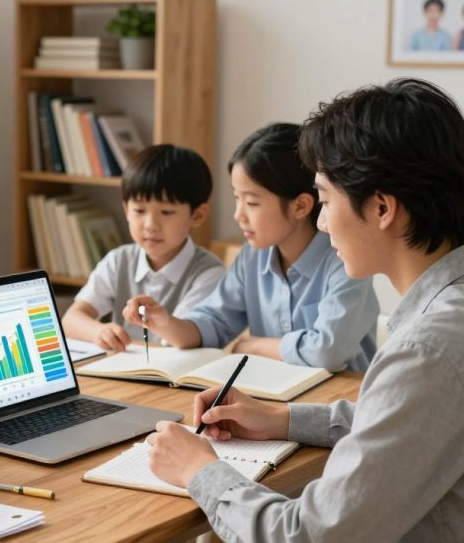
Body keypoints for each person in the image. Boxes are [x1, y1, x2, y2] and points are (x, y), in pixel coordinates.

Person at [146, 78, 464, 543]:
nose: (323, 223)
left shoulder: (430, 352)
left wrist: (201, 470)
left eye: (325, 200)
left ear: (382, 208)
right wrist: (282, 419)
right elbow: (423, 422)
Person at [124, 123, 378, 372]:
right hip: (270, 398)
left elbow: (327, 351)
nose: (238, 215)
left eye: (252, 202)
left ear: (300, 206)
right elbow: (214, 323)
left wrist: (254, 346)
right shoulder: (252, 256)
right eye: (237, 198)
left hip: (340, 404)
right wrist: (165, 322)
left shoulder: (345, 260)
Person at [62, 144, 224, 352]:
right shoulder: (118, 261)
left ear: (198, 215)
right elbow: (71, 319)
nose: (150, 225)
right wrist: (98, 331)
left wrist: (161, 321)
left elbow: (185, 339)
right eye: (139, 210)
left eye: (166, 212)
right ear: (126, 210)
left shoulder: (209, 273)